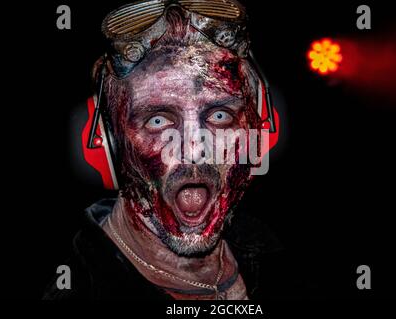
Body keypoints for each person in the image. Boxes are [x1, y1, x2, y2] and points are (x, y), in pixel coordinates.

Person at [44, 0, 288, 300]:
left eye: (219, 116)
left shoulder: (278, 259)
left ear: (257, 131)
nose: (195, 149)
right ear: (109, 142)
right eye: (158, 120)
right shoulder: (81, 290)